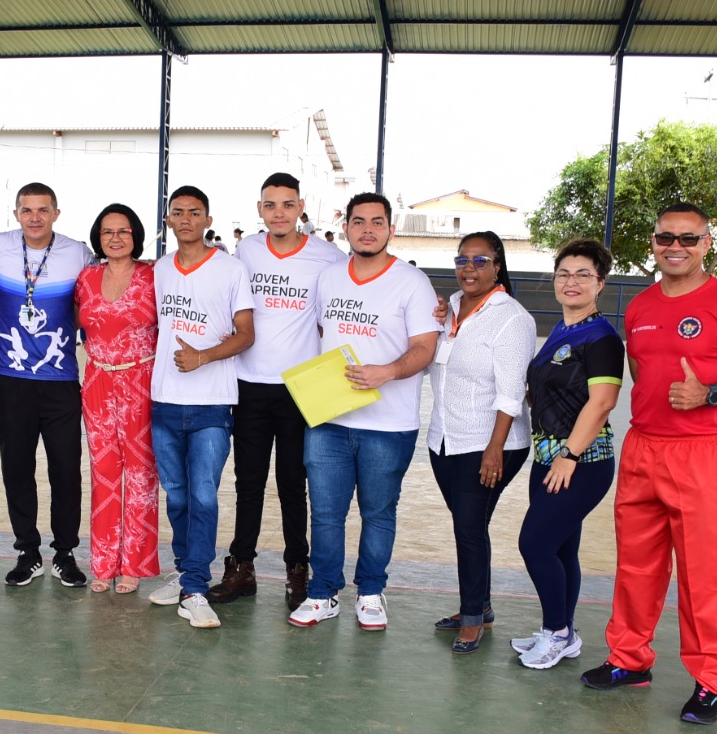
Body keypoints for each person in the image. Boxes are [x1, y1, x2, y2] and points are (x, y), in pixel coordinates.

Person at [581, 202, 717, 725]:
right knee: (636, 565)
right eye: (666, 237)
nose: (676, 246)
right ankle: (629, 660)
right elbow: (643, 372)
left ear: (706, 244)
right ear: (653, 242)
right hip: (644, 446)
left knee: (704, 574)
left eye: (688, 239)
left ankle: (713, 682)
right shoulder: (642, 306)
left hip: (702, 454)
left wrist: (713, 396)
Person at [287, 192, 439, 631]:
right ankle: (323, 593)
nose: (367, 229)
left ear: (391, 229)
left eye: (377, 222)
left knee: (378, 512)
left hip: (388, 426)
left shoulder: (412, 282)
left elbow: (424, 348)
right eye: (358, 221)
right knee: (327, 513)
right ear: (347, 227)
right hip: (330, 420)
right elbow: (320, 329)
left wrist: (387, 371)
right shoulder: (329, 277)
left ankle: (371, 591)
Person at [209, 171, 343, 610]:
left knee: (292, 485)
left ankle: (296, 569)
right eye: (271, 205)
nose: (279, 212)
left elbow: (356, 296)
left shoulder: (326, 256)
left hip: (300, 388)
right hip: (249, 385)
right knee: (248, 482)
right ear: (259, 210)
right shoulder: (245, 250)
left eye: (288, 204)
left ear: (301, 207)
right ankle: (241, 567)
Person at [146, 185, 255, 629]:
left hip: (211, 404)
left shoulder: (231, 269)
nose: (186, 219)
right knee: (176, 495)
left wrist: (203, 357)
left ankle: (195, 588)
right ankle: (184, 571)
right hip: (165, 401)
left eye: (195, 212)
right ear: (168, 221)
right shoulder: (159, 270)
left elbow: (246, 334)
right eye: (178, 213)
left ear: (208, 220)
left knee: (204, 495)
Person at [512, 239, 624, 670]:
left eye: (582, 275)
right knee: (561, 548)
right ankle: (562, 631)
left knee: (535, 544)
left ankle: (557, 633)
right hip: (548, 456)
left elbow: (602, 403)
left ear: (600, 283)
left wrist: (570, 457)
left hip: (582, 462)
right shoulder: (562, 330)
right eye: (564, 273)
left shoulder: (602, 338)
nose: (571, 282)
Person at [426, 231, 533, 654]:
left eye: (480, 260)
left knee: (468, 528)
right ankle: (481, 605)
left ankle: (472, 619)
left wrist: (494, 449)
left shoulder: (513, 319)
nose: (469, 268)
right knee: (471, 526)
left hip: (491, 443)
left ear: (498, 266)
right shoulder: (449, 307)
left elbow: (511, 392)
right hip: (445, 440)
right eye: (462, 259)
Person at [0, 182, 93, 589]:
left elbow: (86, 306)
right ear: (16, 214)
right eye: (27, 210)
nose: (34, 217)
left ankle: (65, 553)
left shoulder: (77, 252)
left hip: (61, 379)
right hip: (11, 379)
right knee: (17, 468)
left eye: (42, 210)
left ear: (56, 213)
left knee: (65, 469)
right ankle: (27, 552)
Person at [74, 203, 159, 594]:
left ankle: (134, 565)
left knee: (141, 476)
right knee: (104, 475)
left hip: (142, 380)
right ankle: (104, 562)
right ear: (98, 237)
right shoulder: (87, 279)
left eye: (123, 231)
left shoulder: (154, 275)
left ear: (135, 235)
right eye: (107, 232)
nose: (115, 238)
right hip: (97, 383)